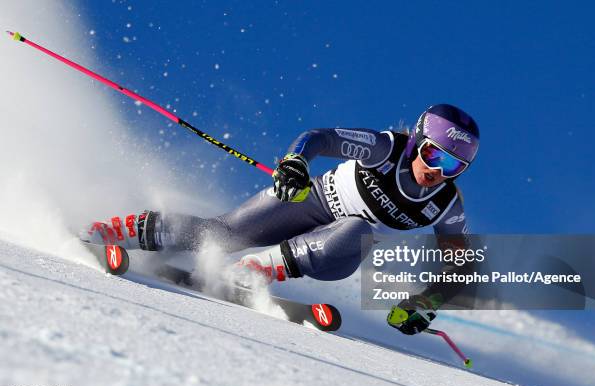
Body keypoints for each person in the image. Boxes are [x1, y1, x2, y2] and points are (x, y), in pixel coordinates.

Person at [82, 103, 479, 336]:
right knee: (223, 234)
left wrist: (427, 302)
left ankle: (251, 271)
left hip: (337, 246)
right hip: (308, 200)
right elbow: (320, 137)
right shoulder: (386, 149)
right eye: (433, 155)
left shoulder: (444, 204)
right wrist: (295, 164)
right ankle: (120, 232)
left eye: (453, 165)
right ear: (418, 142)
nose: (438, 171)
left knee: (360, 229)